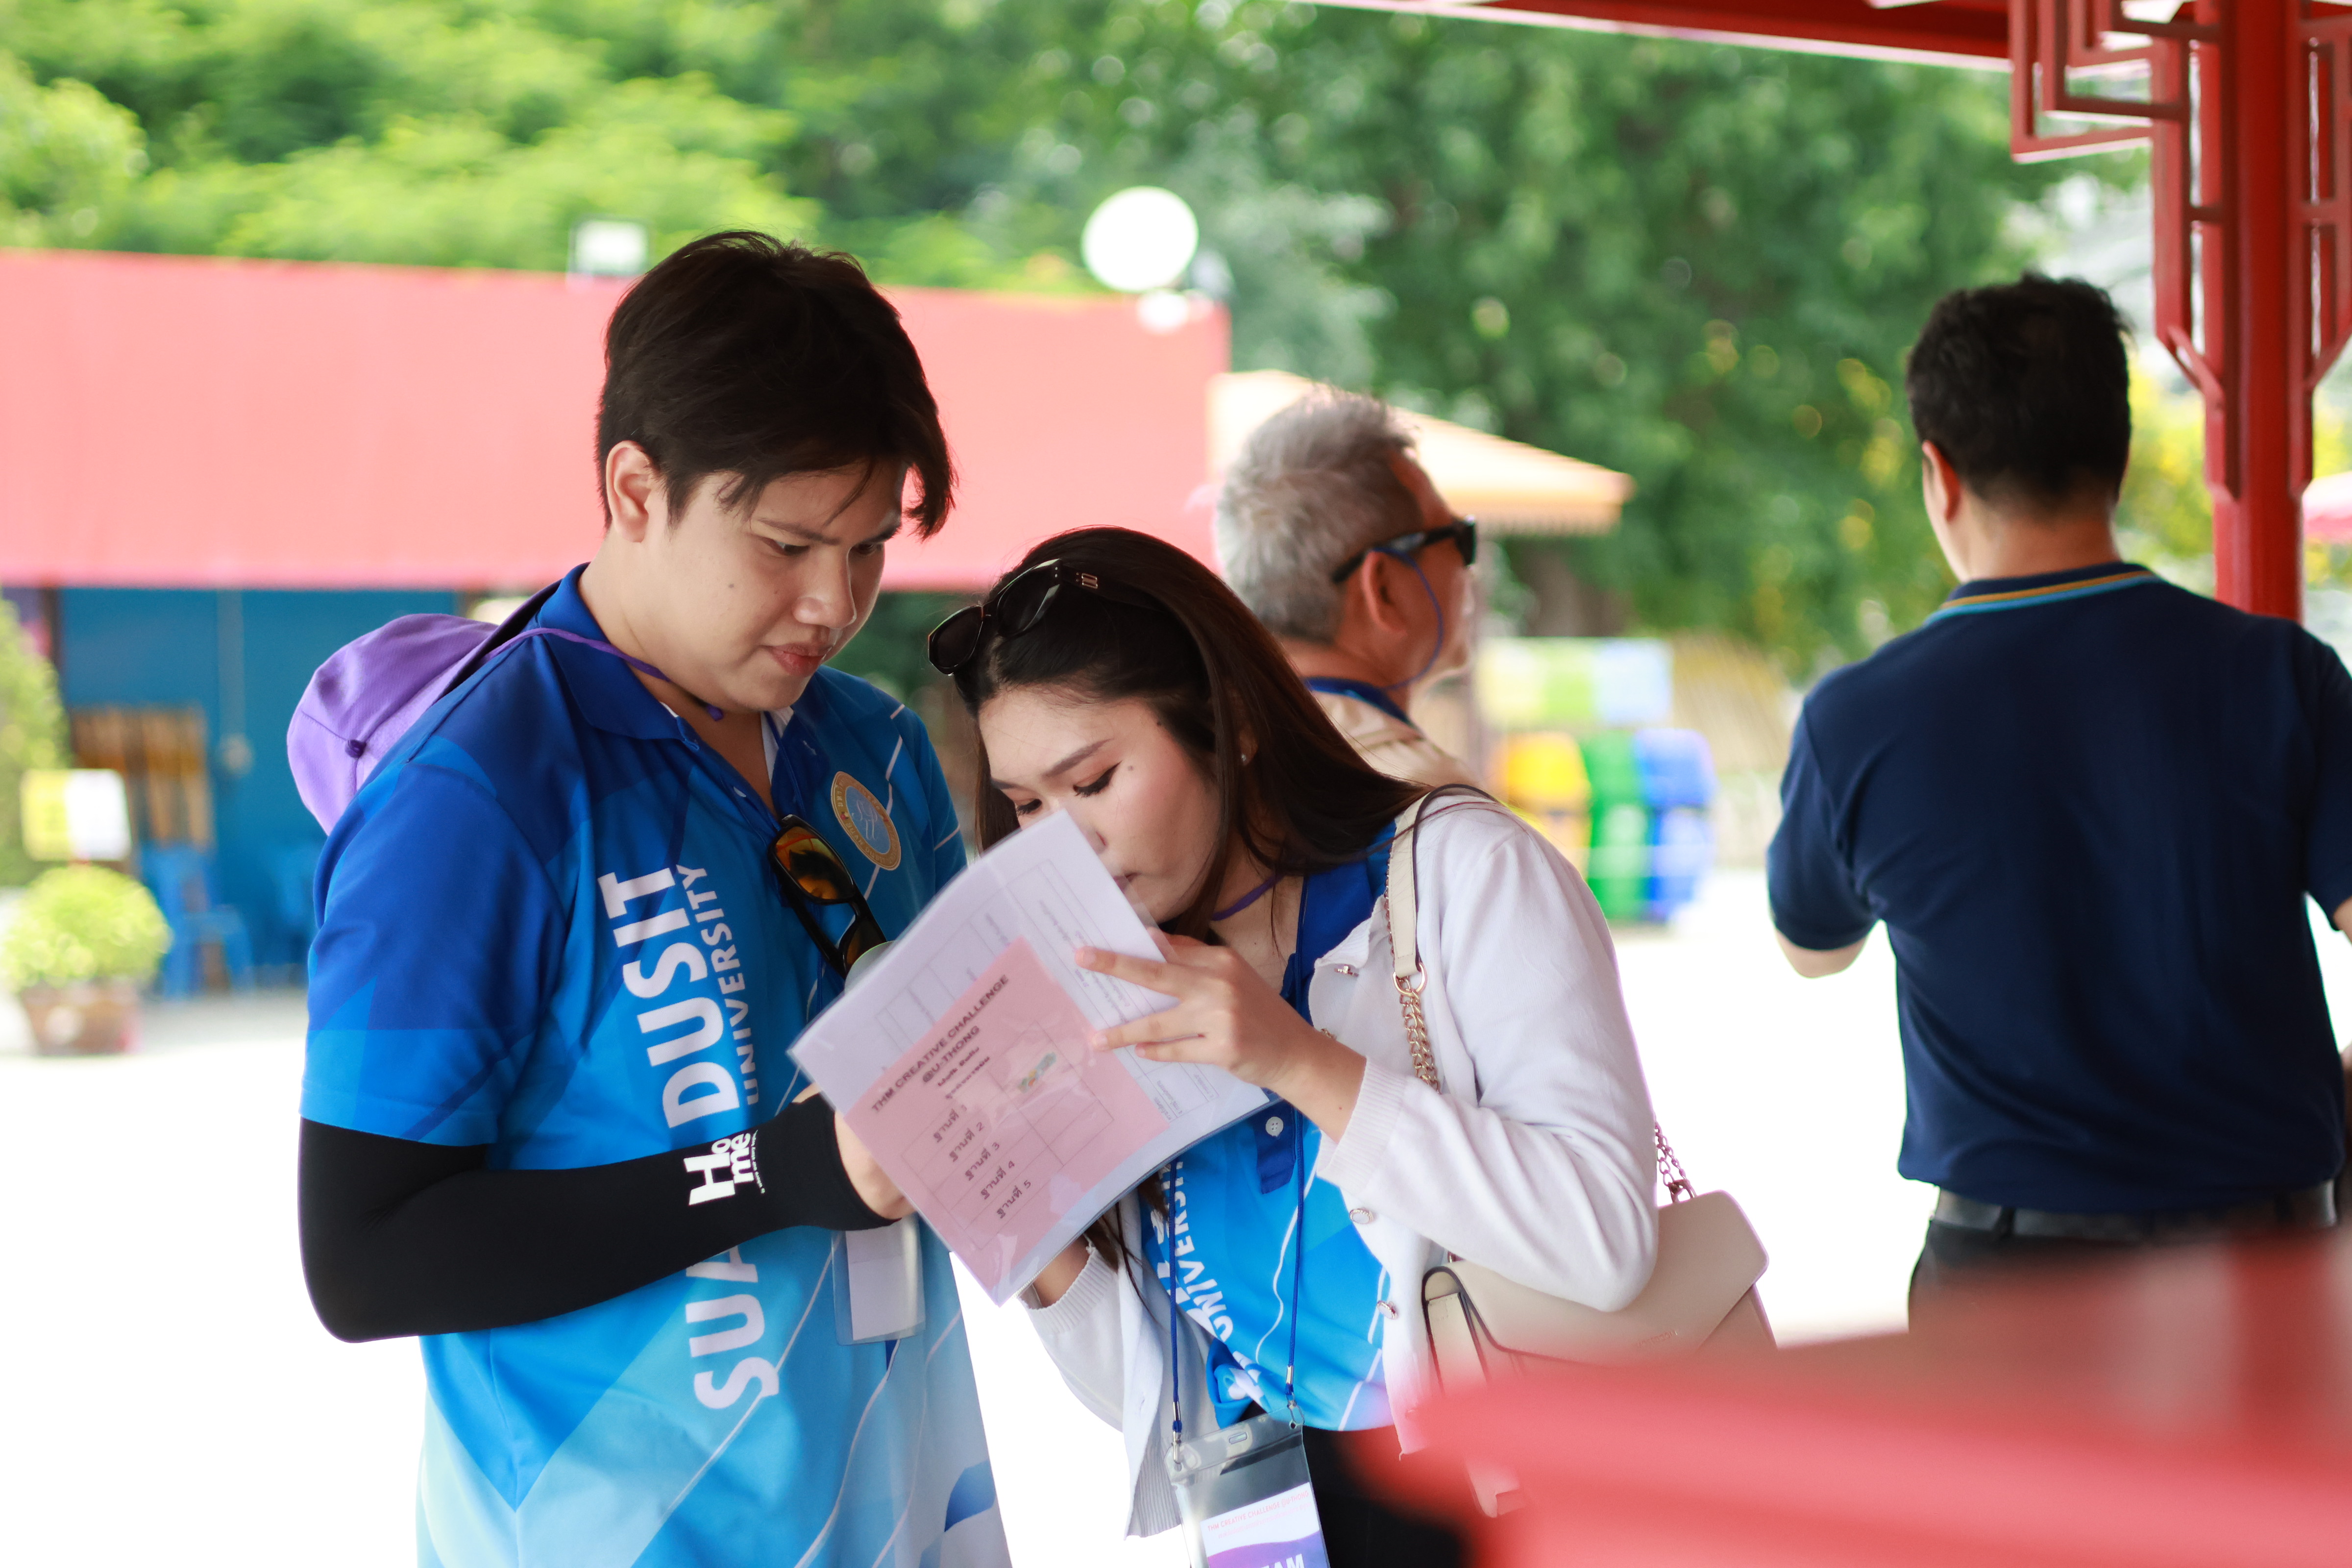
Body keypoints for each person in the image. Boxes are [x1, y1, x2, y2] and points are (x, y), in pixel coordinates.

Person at [296, 233, 1009, 1567]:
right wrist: (776, 1175)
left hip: (899, 1500)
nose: (833, 603)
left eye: (868, 547)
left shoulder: (872, 745)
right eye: (787, 543)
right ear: (635, 489)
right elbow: (366, 1257)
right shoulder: (478, 792)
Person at [926, 526, 1657, 1565]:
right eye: (1027, 805)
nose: (1063, 842)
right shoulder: (1115, 981)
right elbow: (1162, 1398)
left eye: (1093, 783)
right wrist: (1020, 1221)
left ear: (1231, 726)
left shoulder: (1462, 875)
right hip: (1268, 1529)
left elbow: (1606, 1243)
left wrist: (1301, 1062)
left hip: (1511, 1502)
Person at [1767, 274, 2352, 1311]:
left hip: (2007, 1283)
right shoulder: (2283, 677)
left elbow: (1813, 950)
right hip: (2265, 1262)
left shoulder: (1857, 719)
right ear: (2118, 460)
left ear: (1938, 474)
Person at [1215, 390, 1483, 789]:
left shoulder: (1199, 755)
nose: (1468, 569)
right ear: (1383, 588)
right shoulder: (1424, 797)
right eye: (1459, 537)